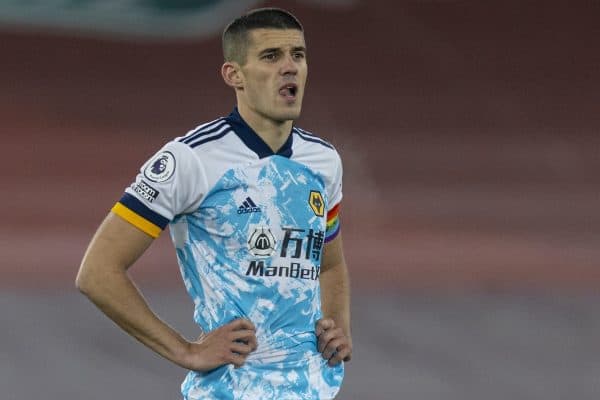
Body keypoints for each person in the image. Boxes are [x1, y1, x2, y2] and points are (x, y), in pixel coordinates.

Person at [75, 7, 352, 399]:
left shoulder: (323, 161)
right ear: (233, 74)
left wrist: (338, 323)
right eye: (271, 56)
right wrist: (185, 350)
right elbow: (97, 272)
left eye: (298, 55)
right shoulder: (190, 160)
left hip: (315, 389)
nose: (290, 67)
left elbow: (331, 263)